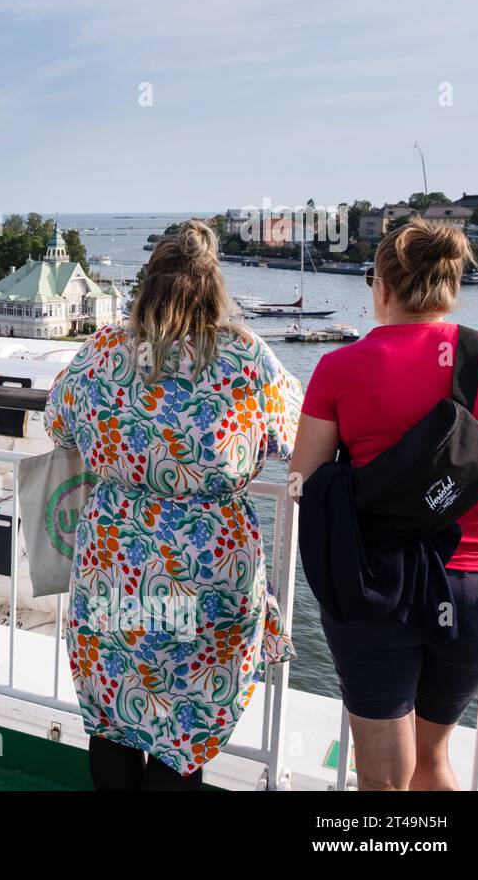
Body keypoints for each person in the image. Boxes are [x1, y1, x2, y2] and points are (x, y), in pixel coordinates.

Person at [44, 219, 301, 790]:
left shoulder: (103, 352)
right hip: (207, 572)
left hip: (116, 562)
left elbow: (57, 425)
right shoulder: (245, 359)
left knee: (114, 717)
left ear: (147, 286)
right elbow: (301, 440)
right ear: (213, 288)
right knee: (182, 730)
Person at [290, 217, 478, 791]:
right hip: (477, 584)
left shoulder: (340, 366)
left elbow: (303, 478)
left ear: (381, 285)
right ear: (451, 287)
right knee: (434, 761)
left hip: (376, 582)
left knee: (383, 776)